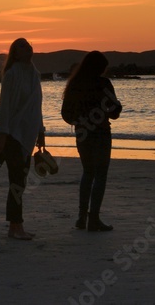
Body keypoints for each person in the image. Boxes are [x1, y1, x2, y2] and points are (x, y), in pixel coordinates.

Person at [61, 50, 122, 232]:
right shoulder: (103, 84)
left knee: (88, 172)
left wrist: (79, 122)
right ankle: (93, 218)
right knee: (100, 174)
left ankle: (81, 217)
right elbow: (114, 112)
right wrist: (116, 107)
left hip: (82, 134)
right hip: (101, 132)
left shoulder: (75, 84)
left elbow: (65, 114)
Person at [0, 38, 45, 240]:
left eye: (28, 43)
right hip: (13, 134)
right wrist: (3, 135)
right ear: (15, 52)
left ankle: (16, 226)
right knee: (17, 182)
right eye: (22, 45)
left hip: (28, 135)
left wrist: (41, 131)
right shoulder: (12, 75)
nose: (28, 46)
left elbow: (36, 107)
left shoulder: (35, 74)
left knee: (20, 182)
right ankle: (15, 226)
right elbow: (4, 107)